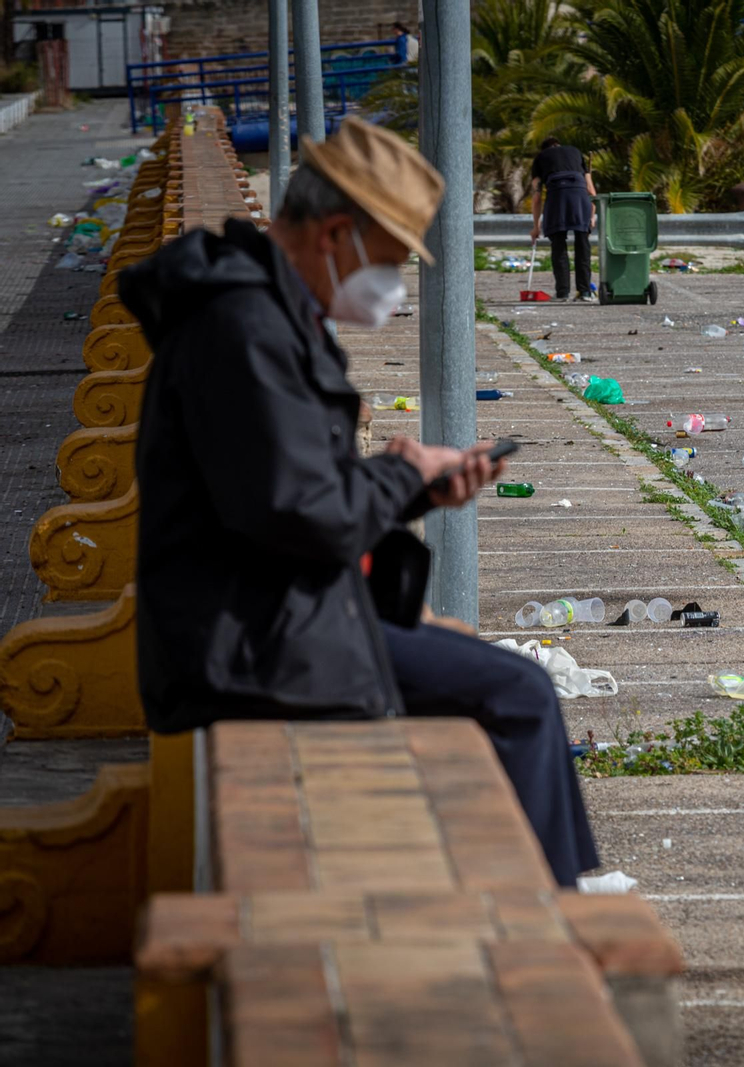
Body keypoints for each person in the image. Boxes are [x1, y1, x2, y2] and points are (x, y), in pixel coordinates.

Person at [119, 117, 598, 886]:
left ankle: (557, 894)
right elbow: (299, 512)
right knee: (519, 696)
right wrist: (405, 477)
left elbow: (294, 499)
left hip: (267, 620)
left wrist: (418, 486)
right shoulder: (245, 330)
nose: (393, 284)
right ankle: (553, 909)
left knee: (500, 680)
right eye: (390, 260)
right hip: (246, 650)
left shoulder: (264, 313)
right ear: (336, 233)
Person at [529, 135, 597, 302]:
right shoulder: (576, 153)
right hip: (579, 197)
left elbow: (537, 197)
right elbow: (591, 191)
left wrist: (536, 227)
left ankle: (562, 293)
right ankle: (585, 292)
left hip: (557, 197)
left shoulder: (540, 158)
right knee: (583, 245)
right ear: (558, 144)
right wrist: (591, 216)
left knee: (558, 245)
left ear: (544, 149)